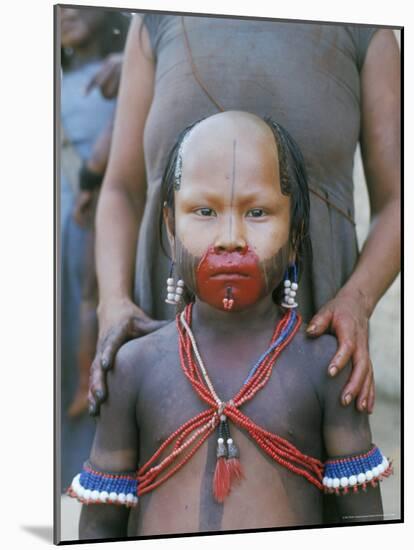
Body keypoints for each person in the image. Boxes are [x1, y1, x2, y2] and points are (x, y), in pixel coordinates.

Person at [68, 112, 392, 538]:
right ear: (169, 225)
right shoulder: (133, 368)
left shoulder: (327, 368)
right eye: (204, 211)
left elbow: (362, 520)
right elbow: (100, 524)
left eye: (257, 212)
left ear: (295, 237)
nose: (230, 238)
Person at [88, 14, 401, 420]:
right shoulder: (155, 17)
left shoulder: (363, 20)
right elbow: (122, 191)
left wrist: (357, 301)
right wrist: (112, 301)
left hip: (313, 338)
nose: (231, 238)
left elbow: (399, 201)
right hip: (163, 332)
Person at [60, 6, 128, 490]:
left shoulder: (125, 72)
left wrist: (134, 62)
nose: (66, 10)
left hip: (94, 223)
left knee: (92, 310)